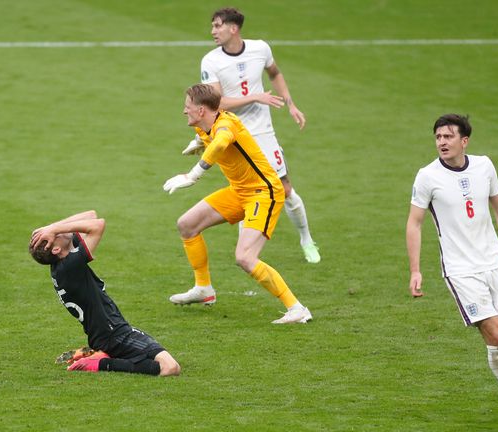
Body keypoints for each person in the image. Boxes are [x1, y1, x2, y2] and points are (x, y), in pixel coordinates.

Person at [406, 114, 498, 431]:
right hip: (460, 270)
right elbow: (414, 223)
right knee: (496, 335)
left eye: (448, 136)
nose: (441, 142)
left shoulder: (484, 166)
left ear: (464, 141)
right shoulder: (427, 176)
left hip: (495, 262)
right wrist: (415, 270)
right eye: (438, 136)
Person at [163, 83, 312, 324]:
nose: (184, 111)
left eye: (188, 107)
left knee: (245, 257)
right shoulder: (205, 126)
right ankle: (204, 290)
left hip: (263, 193)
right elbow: (215, 141)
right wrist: (200, 143)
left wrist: (192, 176)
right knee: (187, 224)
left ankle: (297, 308)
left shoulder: (225, 125)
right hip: (240, 191)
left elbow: (222, 142)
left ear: (202, 110)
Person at [183, 7, 320, 263]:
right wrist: (255, 96)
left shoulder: (260, 48)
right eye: (212, 26)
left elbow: (275, 73)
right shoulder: (211, 61)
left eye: (217, 26)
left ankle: (306, 238)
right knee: (245, 189)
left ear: (233, 28)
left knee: (286, 189)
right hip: (232, 134)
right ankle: (247, 253)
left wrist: (290, 104)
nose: (212, 31)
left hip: (263, 133)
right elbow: (217, 103)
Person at [29, 210, 181, 376]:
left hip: (106, 335)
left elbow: (91, 216)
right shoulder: (70, 266)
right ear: (56, 249)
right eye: (56, 234)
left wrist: (51, 228)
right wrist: (55, 228)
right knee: (170, 367)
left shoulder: (63, 262)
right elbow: (98, 225)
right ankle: (102, 363)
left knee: (153, 357)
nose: (61, 231)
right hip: (115, 335)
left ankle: (101, 354)